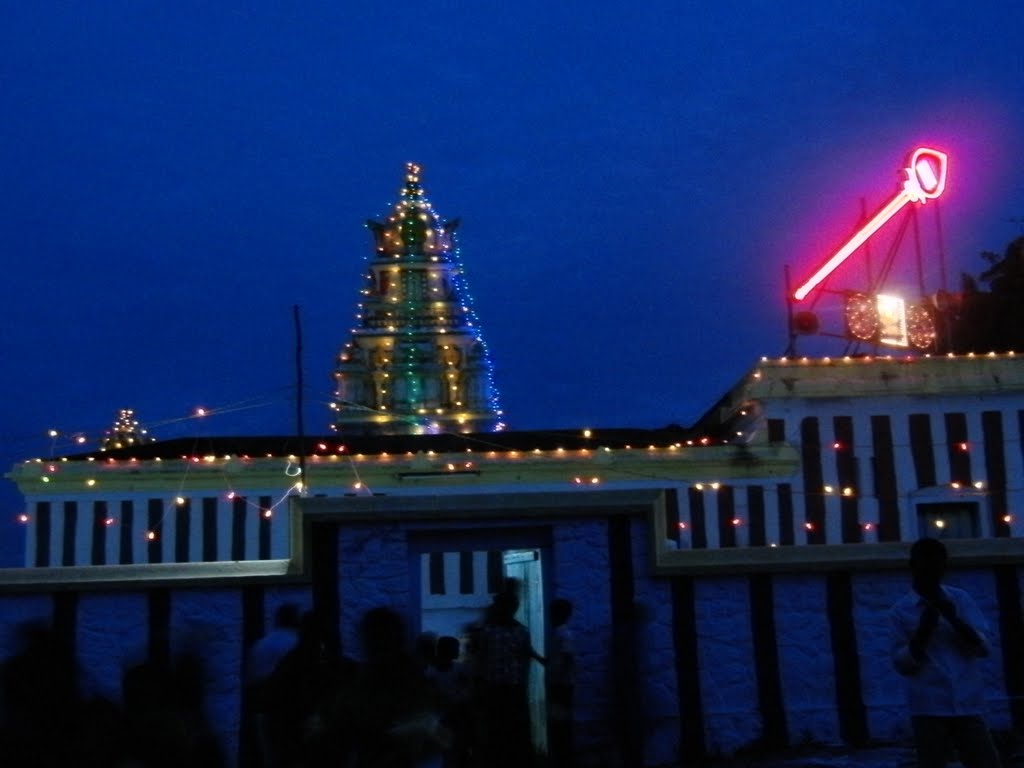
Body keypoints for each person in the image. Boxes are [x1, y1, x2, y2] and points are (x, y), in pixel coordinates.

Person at [889, 537, 1002, 768]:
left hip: (967, 700)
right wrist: (924, 631)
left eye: (938, 567)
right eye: (927, 567)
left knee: (984, 762)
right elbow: (902, 664)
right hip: (928, 704)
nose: (933, 573)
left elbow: (983, 648)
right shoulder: (901, 611)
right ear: (913, 567)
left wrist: (954, 619)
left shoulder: (960, 600)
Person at [546, 598, 576, 767]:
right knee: (560, 721)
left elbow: (566, 658)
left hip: (561, 685)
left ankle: (564, 758)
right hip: (561, 684)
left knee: (560, 722)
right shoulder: (560, 633)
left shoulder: (562, 634)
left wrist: (559, 677)